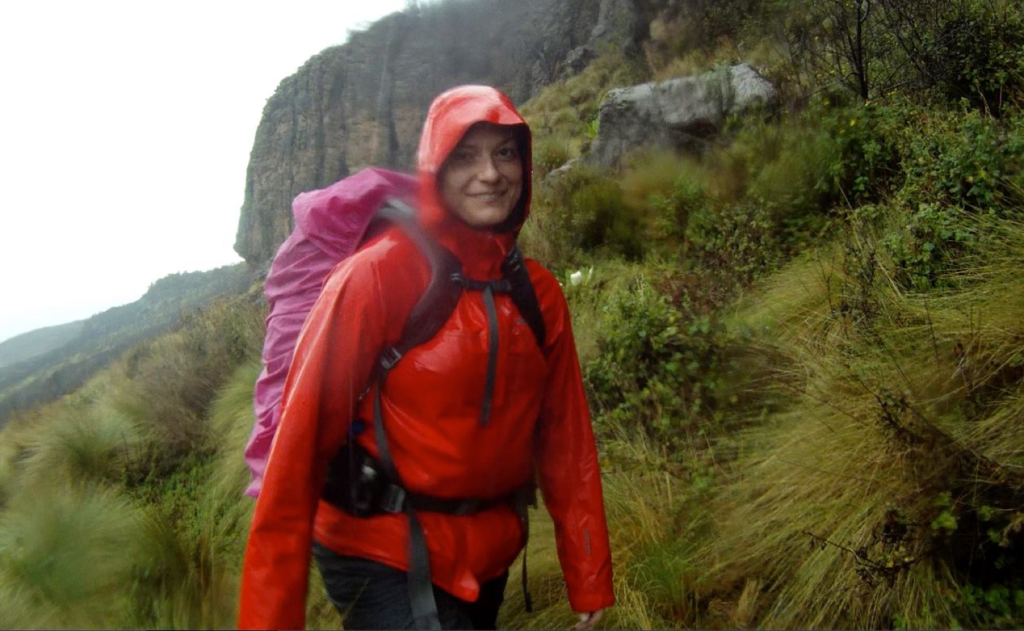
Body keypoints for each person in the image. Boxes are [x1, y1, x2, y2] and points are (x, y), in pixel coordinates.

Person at [238, 85, 614, 630]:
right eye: (465, 155)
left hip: (489, 553)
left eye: (504, 152)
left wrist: (588, 573)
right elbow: (297, 453)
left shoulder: (538, 294)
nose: (490, 174)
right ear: (434, 168)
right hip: (379, 548)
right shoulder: (378, 276)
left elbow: (565, 440)